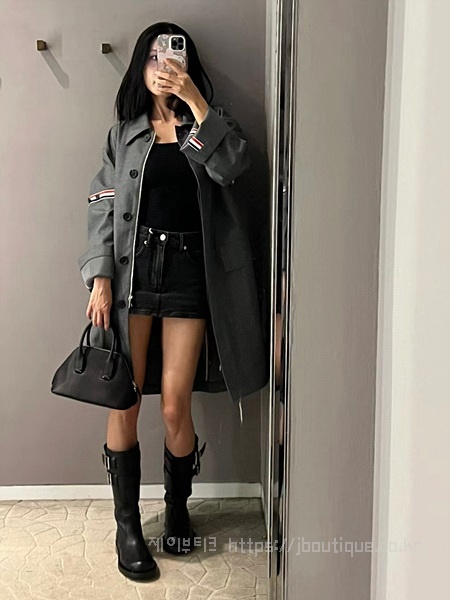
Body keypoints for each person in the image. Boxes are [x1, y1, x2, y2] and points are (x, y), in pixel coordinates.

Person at [80, 21, 261, 582]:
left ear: (187, 62)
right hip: (134, 273)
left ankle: (178, 508)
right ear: (141, 66)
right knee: (124, 398)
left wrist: (194, 101)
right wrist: (100, 277)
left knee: (176, 405)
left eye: (173, 55)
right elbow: (102, 205)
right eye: (154, 57)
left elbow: (232, 167)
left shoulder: (208, 124)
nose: (164, 65)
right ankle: (128, 527)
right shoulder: (124, 135)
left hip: (189, 273)